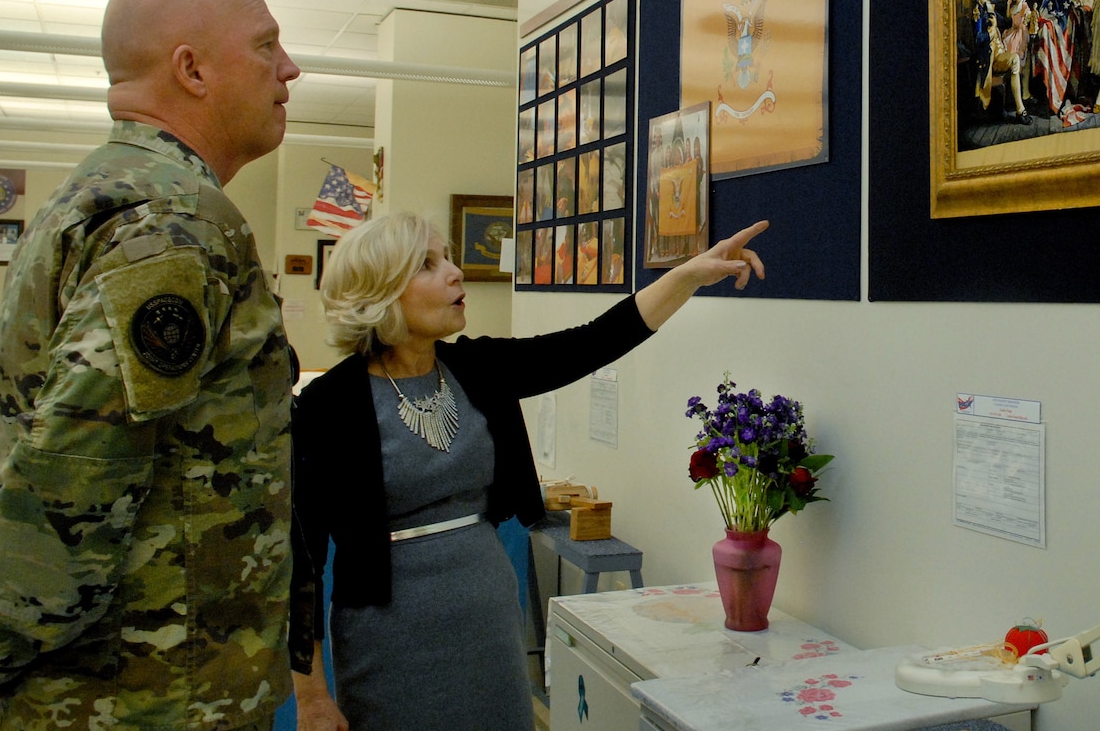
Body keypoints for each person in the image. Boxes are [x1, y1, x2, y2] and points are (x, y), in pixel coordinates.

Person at [0, 0, 302, 730]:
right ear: (192, 69)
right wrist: (8, 635)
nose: (289, 68)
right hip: (152, 692)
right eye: (266, 46)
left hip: (105, 682)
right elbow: (73, 465)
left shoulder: (87, 198)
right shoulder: (175, 220)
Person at [289, 212, 769, 731]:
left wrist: (687, 275)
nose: (455, 273)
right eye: (428, 265)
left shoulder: (475, 369)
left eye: (448, 257)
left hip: (490, 619)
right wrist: (312, 695)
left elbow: (593, 342)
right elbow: (302, 561)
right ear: (378, 290)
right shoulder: (328, 404)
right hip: (389, 639)